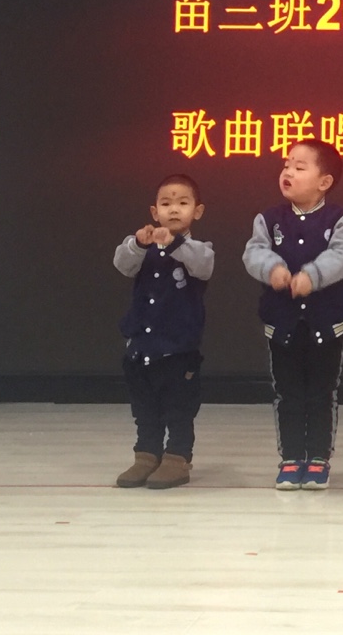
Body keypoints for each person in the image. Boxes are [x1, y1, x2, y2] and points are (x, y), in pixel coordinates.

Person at [243, 140, 343, 491]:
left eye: (299, 166)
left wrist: (312, 276)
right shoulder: (269, 219)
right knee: (288, 392)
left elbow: (342, 256)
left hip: (326, 322)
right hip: (282, 322)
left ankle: (319, 458)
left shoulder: (341, 219)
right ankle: (291, 458)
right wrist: (272, 268)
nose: (288, 172)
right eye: (286, 165)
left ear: (324, 182)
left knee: (322, 392)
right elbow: (253, 252)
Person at [112, 174, 214, 490]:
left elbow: (203, 265)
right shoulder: (142, 248)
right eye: (166, 203)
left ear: (197, 211)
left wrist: (174, 243)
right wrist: (138, 243)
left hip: (178, 349)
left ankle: (177, 458)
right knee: (144, 408)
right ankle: (146, 455)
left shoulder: (198, 249)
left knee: (179, 409)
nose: (174, 209)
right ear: (154, 212)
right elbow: (122, 264)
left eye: (183, 203)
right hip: (141, 346)